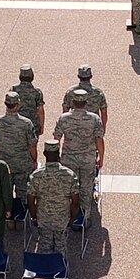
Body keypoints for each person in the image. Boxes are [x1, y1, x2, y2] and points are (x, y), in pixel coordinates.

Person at [53, 88, 104, 229]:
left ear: (72, 102)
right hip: (88, 158)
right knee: (86, 189)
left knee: (69, 189)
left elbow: (56, 138)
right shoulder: (94, 119)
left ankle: (70, 217)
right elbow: (99, 140)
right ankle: (84, 219)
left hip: (69, 159)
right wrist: (101, 158)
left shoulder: (64, 118)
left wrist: (55, 157)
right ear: (86, 102)